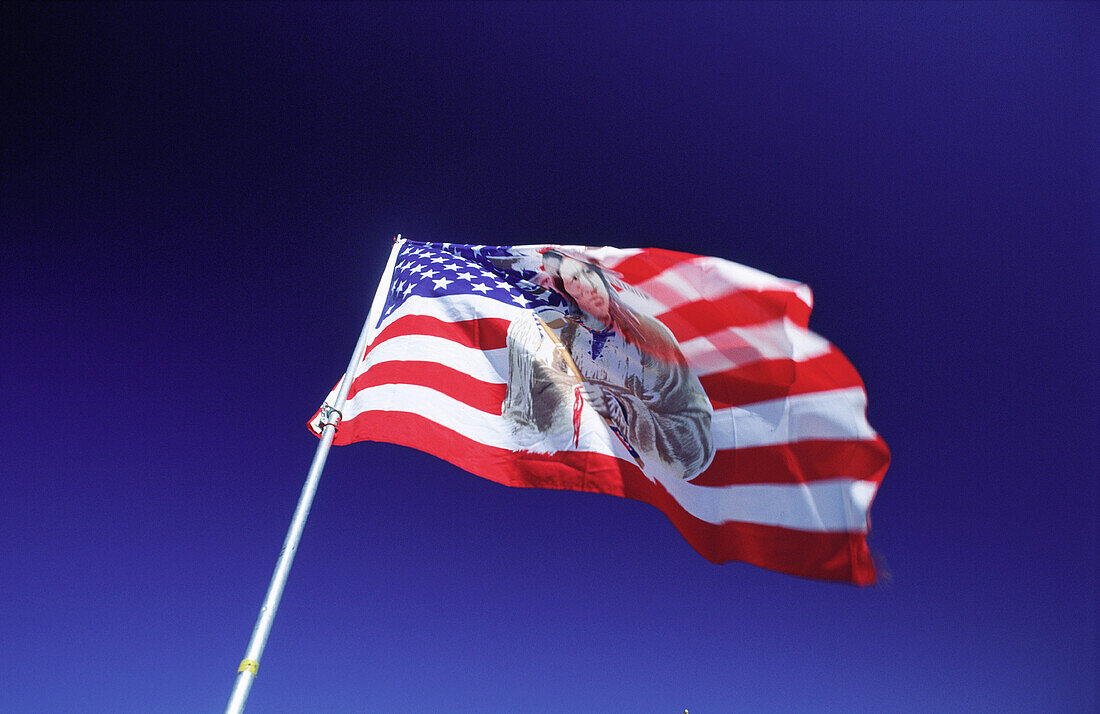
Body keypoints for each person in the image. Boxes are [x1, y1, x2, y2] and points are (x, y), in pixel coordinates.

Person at [501, 249, 714, 482]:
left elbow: (693, 441)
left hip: (648, 479)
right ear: (565, 291)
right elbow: (524, 426)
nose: (587, 285)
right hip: (582, 478)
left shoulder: (651, 337)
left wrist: (621, 409)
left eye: (588, 272)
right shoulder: (558, 336)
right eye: (573, 279)